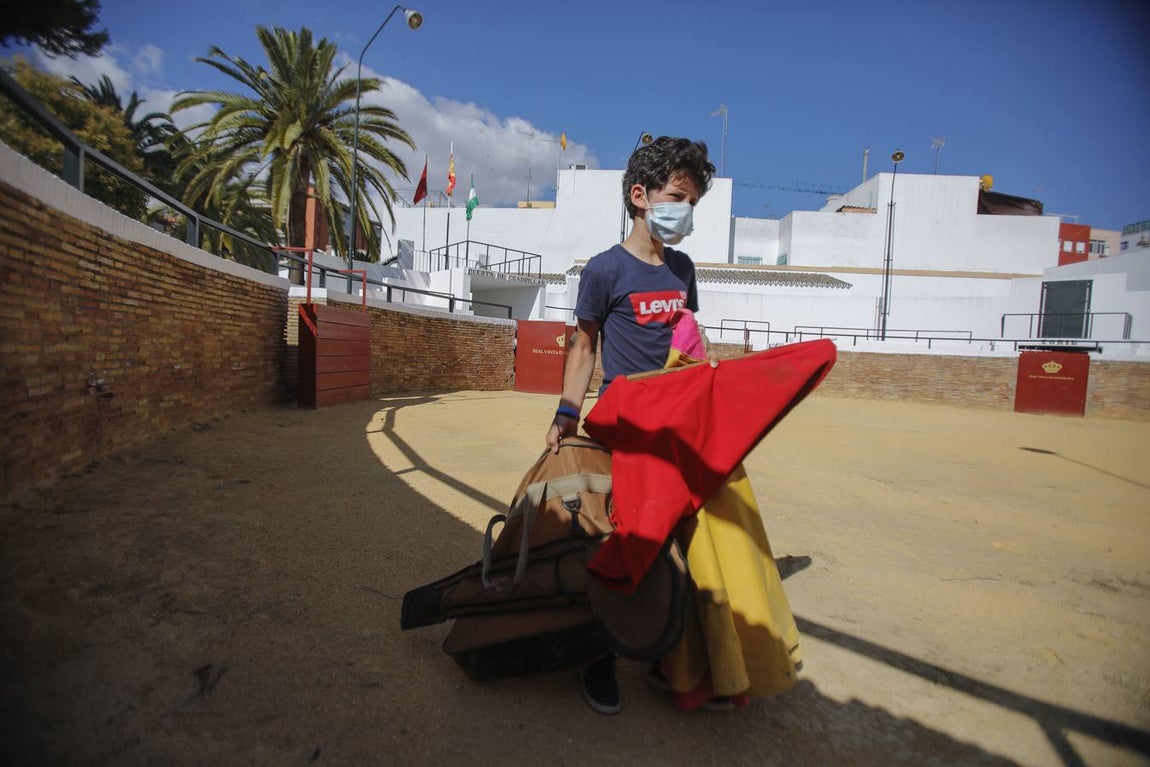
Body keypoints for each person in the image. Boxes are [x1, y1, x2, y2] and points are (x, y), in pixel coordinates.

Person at [546, 136, 716, 714]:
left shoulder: (684, 269)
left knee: (672, 538)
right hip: (622, 428)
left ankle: (669, 655)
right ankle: (597, 655)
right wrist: (567, 413)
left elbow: (689, 343)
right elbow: (584, 345)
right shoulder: (604, 270)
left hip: (673, 429)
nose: (684, 212)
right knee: (611, 537)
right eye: (676, 197)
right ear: (640, 196)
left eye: (691, 202)